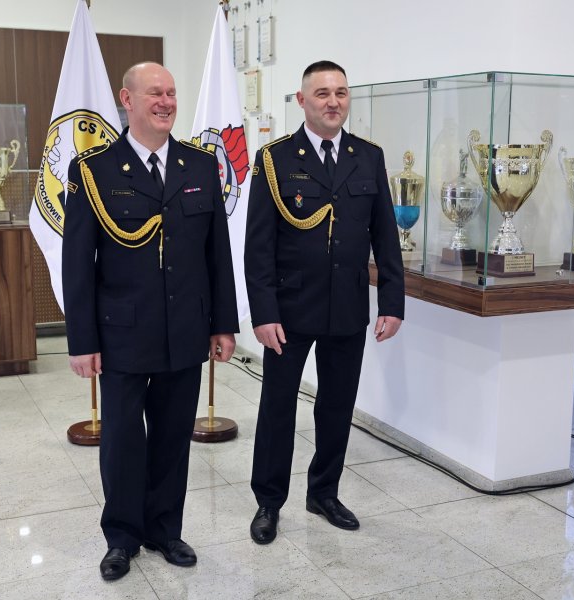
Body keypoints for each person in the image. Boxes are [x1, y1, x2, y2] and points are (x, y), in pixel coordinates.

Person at [63, 62, 239, 579]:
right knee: (122, 440)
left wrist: (223, 324)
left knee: (171, 436)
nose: (165, 102)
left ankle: (164, 529)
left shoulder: (200, 166)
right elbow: (78, 263)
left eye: (171, 93)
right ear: (127, 100)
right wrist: (81, 340)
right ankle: (121, 537)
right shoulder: (94, 170)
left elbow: (217, 255)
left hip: (185, 328)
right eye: (154, 93)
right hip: (122, 331)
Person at [244, 60, 404, 544]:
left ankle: (324, 493)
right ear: (302, 100)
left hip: (347, 307)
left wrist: (392, 301)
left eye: (340, 93)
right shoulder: (274, 159)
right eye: (322, 93)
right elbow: (258, 246)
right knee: (278, 408)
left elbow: (385, 236)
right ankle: (268, 502)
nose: (333, 102)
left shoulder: (368, 157)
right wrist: (264, 312)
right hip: (290, 309)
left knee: (337, 406)